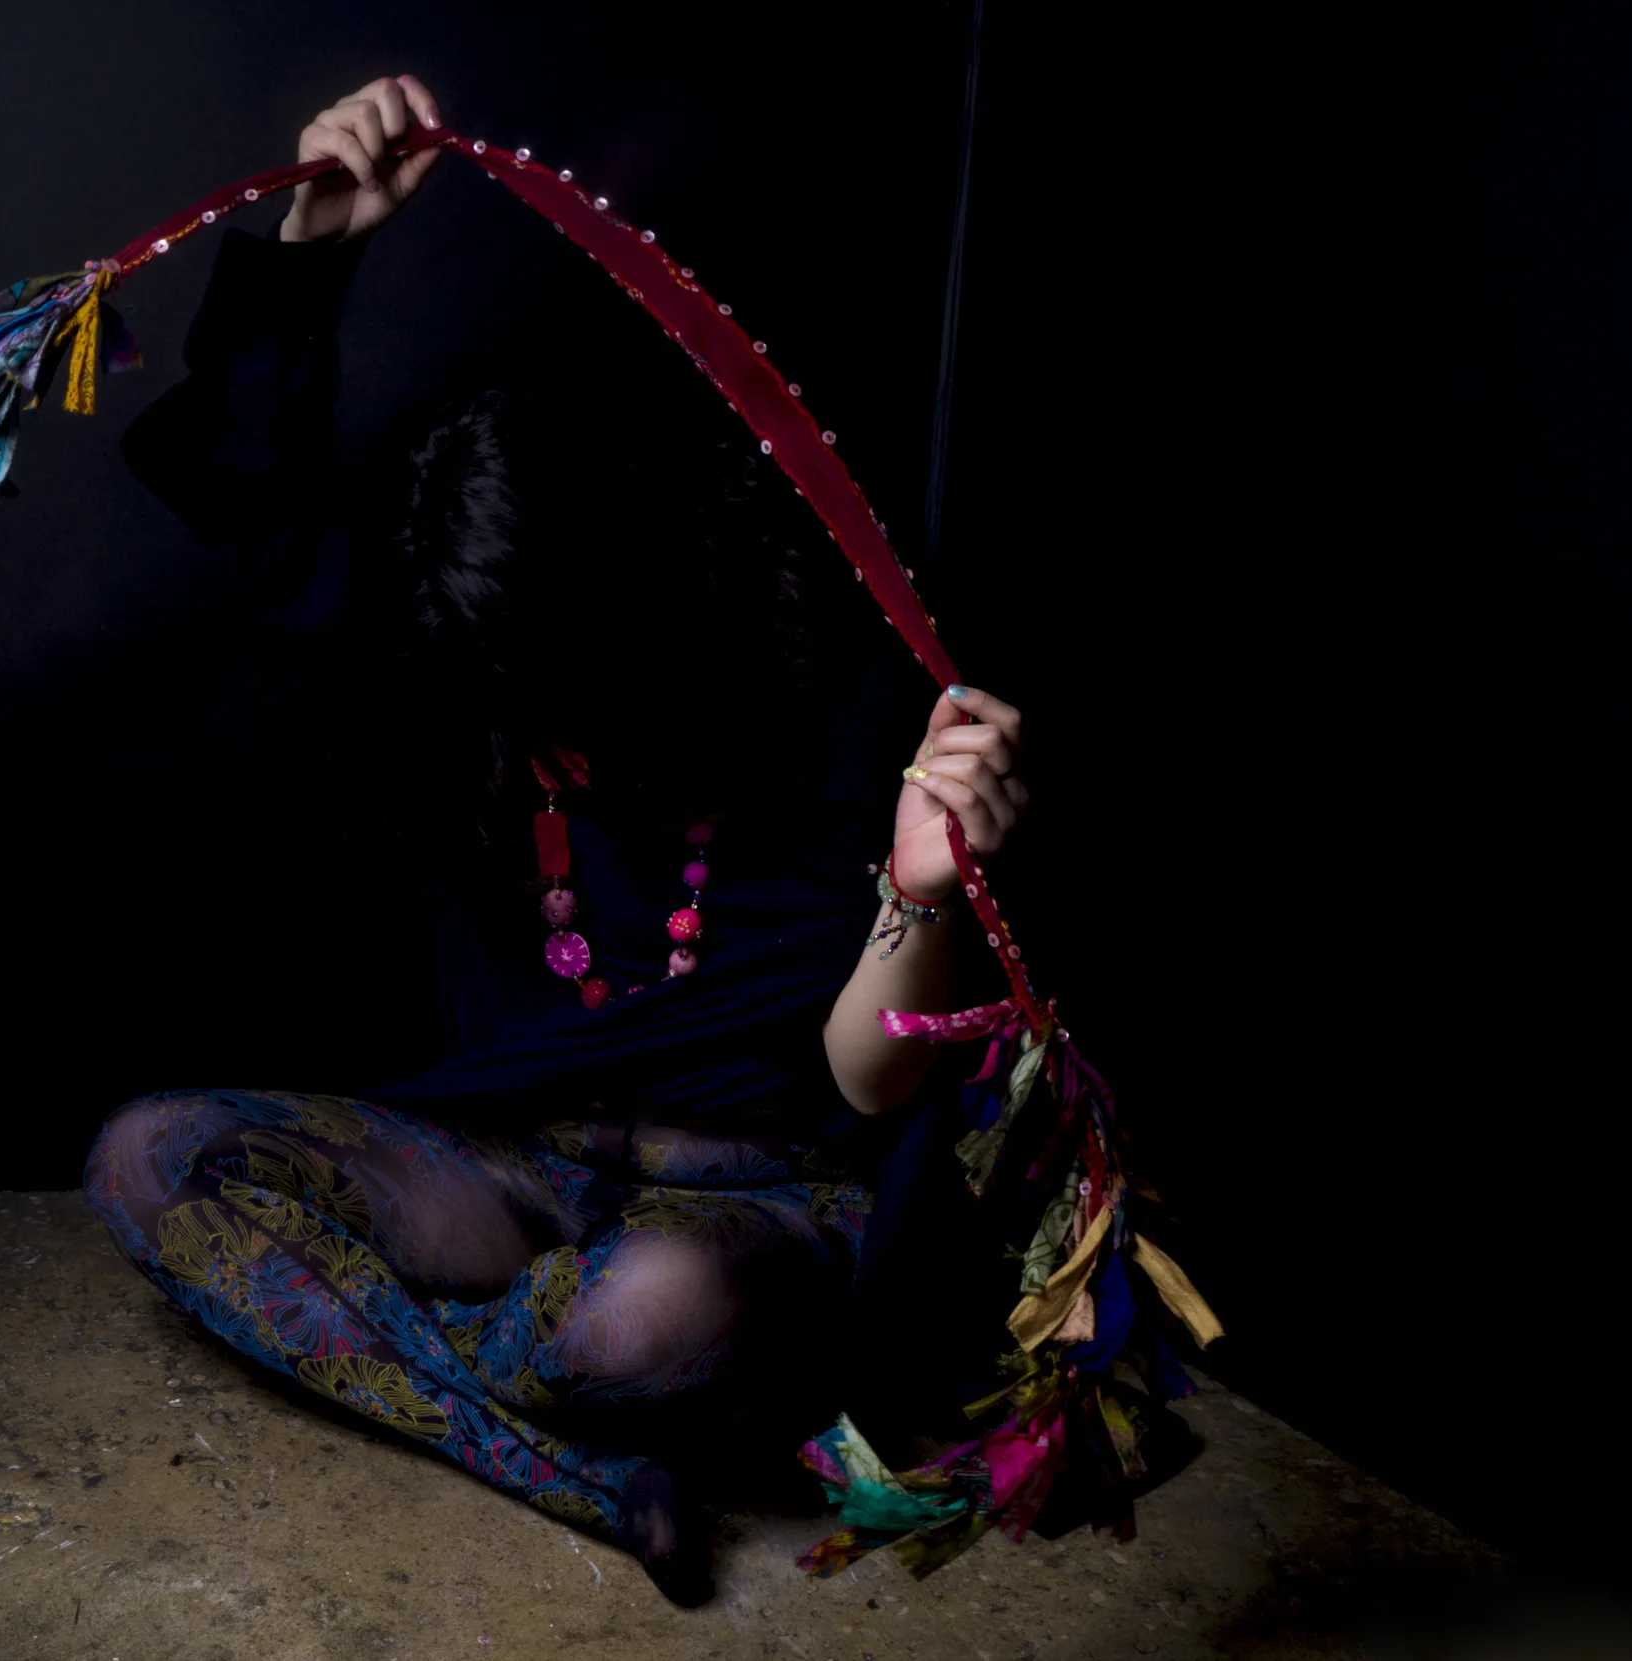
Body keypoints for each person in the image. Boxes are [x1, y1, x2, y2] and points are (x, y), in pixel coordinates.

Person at [83, 74, 1032, 1606]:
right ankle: (568, 1467)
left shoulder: (855, 707)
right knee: (150, 1154)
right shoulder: (487, 686)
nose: (563, 756)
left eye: (583, 711)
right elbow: (251, 504)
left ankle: (531, 1397)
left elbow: (873, 1074)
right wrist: (313, 245)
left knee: (640, 1317)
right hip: (512, 1172)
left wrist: (922, 890)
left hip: (754, 1211)